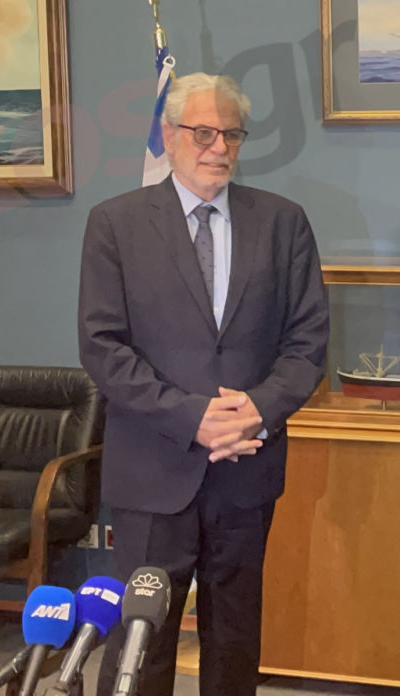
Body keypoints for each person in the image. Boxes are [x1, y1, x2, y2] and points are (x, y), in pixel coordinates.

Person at [77, 72, 329, 696]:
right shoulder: (115, 224)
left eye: (232, 135)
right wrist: (192, 416)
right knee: (142, 641)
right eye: (203, 133)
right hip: (154, 469)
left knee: (235, 640)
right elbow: (103, 347)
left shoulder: (283, 223)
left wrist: (258, 410)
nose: (219, 147)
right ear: (169, 135)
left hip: (246, 468)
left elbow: (308, 344)